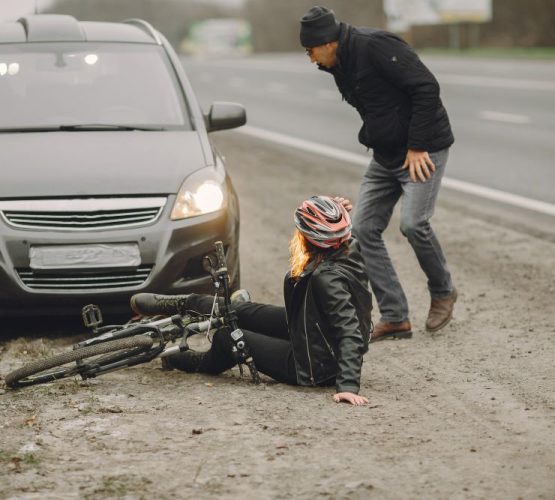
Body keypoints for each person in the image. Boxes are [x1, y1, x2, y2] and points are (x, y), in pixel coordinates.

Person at [299, 6, 457, 340]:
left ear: (327, 42)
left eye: (310, 50)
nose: (310, 59)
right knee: (362, 229)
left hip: (421, 151)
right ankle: (396, 316)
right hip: (386, 157)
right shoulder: (340, 64)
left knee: (414, 224)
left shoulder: (376, 46)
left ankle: (442, 291)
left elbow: (426, 87)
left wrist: (416, 145)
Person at [130, 196, 372, 406]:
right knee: (238, 310)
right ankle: (182, 303)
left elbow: (350, 330)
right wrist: (333, 213)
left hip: (312, 365)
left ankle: (183, 358)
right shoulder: (349, 246)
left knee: (228, 337)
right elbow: (336, 232)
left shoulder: (327, 278)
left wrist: (348, 386)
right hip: (310, 329)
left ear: (310, 238)